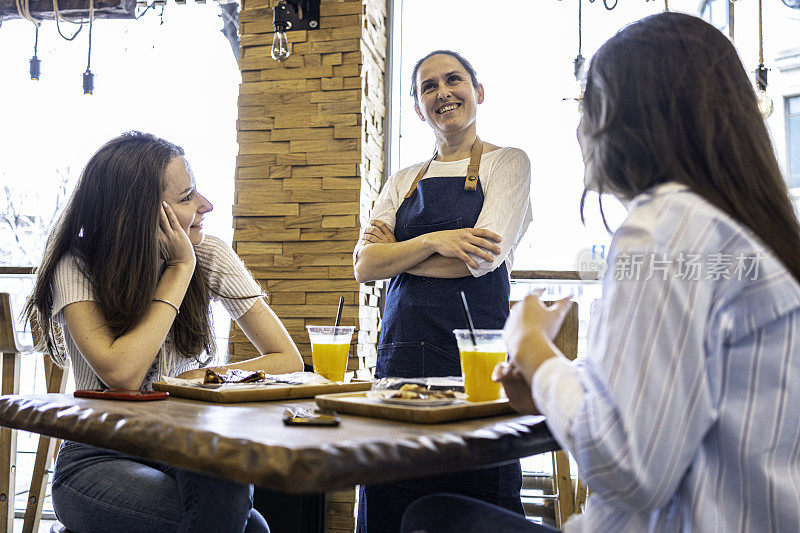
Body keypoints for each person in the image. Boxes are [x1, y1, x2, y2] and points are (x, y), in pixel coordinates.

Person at [400, 12, 800, 533]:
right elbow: (675, 399)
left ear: (632, 118)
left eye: (589, 105)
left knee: (431, 517)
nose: (581, 126)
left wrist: (535, 350)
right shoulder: (746, 233)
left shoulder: (662, 229)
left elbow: (628, 468)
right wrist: (550, 384)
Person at [26, 131, 304, 533]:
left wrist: (193, 379)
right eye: (187, 196)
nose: (206, 205)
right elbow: (122, 375)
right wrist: (178, 271)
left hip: (178, 443)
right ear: (143, 214)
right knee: (251, 529)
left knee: (232, 487)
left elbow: (286, 358)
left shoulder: (211, 254)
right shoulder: (77, 265)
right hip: (97, 456)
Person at [353, 50, 532, 532]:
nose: (442, 93)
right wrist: (436, 239)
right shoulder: (403, 179)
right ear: (417, 106)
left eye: (453, 80)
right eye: (428, 87)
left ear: (478, 91)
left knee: (476, 499)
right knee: (391, 494)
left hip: (474, 372)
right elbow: (365, 265)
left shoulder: (508, 163)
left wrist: (402, 254)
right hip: (398, 368)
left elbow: (479, 261)